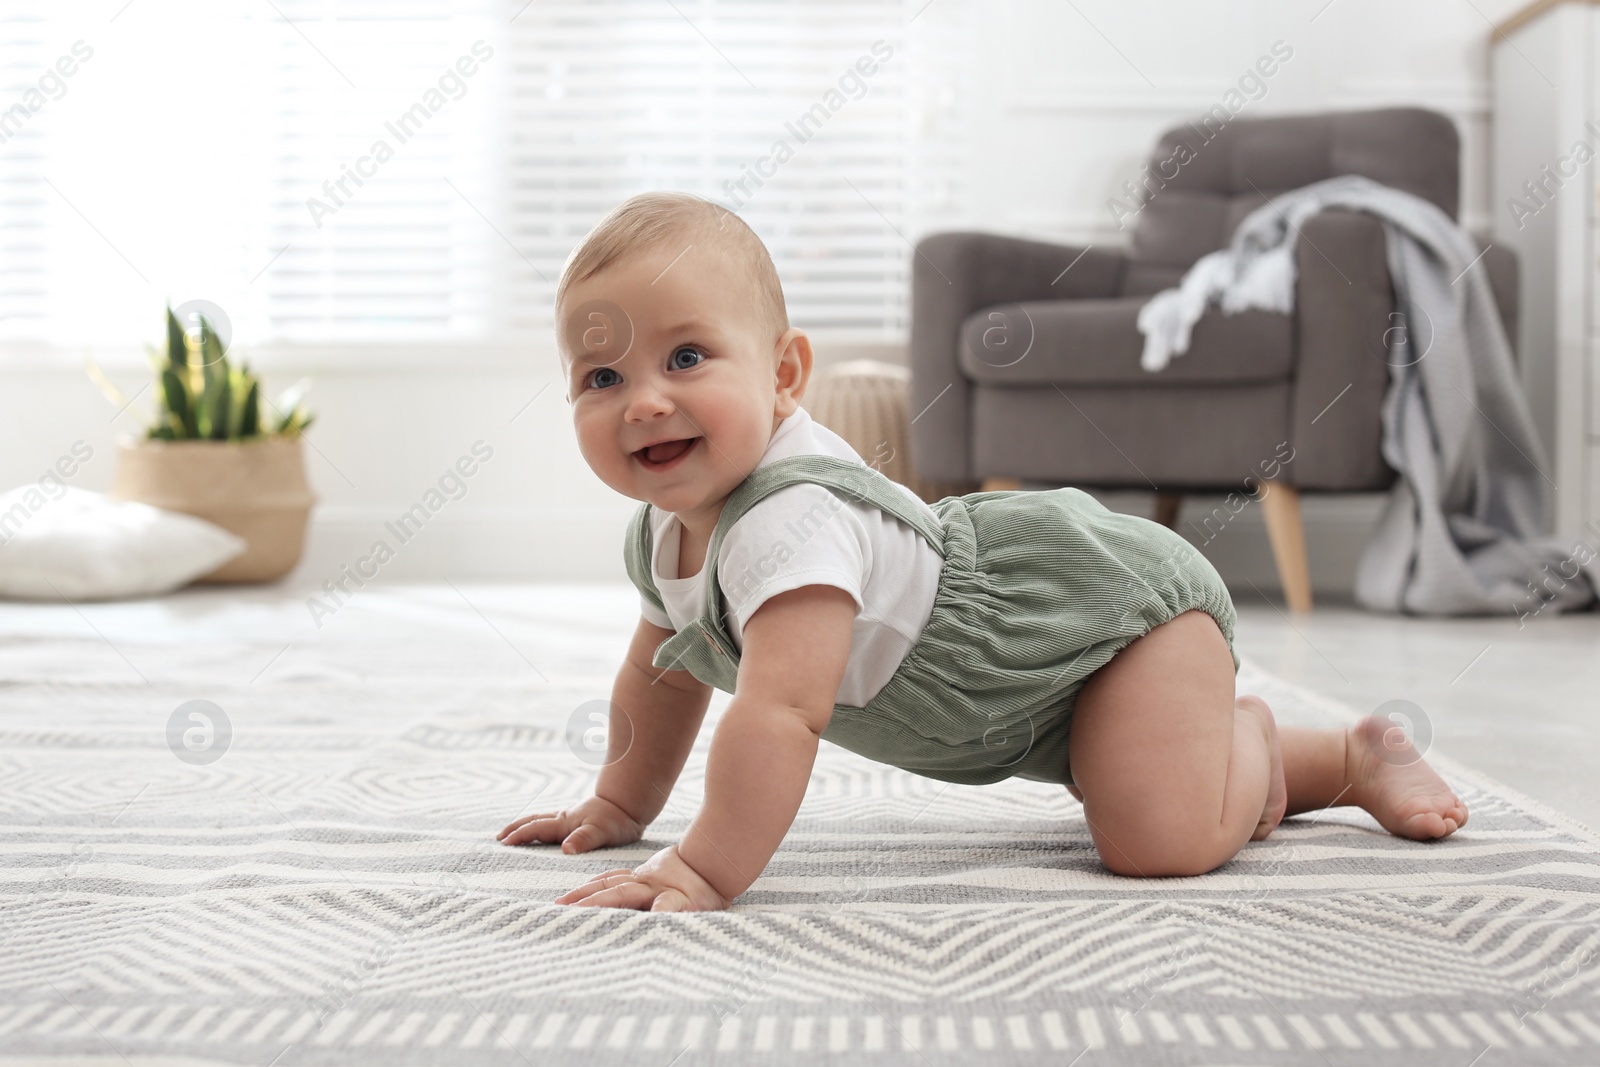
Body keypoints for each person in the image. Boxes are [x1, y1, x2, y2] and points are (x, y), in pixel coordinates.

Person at [497, 191, 1469, 911]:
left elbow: (779, 711)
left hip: (1109, 619)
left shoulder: (790, 522)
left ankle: (1317, 749)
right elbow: (659, 677)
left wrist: (706, 864)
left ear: (786, 373)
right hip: (1016, 697)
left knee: (1156, 837)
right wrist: (619, 802)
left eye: (686, 357)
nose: (645, 400)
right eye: (601, 375)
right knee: (1123, 774)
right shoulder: (659, 533)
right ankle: (1216, 743)